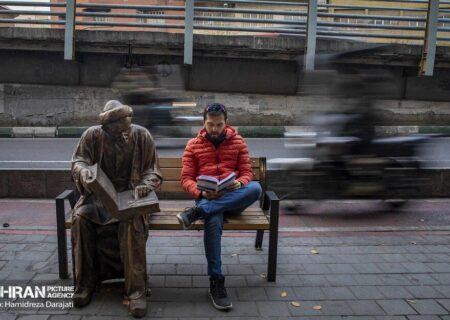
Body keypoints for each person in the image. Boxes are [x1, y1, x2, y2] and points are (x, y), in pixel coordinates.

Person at [71, 100, 162, 318]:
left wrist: (144, 185)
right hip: (99, 199)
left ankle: (136, 291)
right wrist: (83, 173)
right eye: (117, 131)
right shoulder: (92, 136)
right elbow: (79, 162)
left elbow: (153, 171)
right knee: (81, 219)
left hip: (131, 196)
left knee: (131, 222)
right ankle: (85, 283)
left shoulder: (142, 136)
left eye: (126, 129)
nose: (123, 134)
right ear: (106, 127)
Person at [177, 103, 262, 310]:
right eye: (210, 124)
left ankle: (197, 212)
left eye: (219, 125)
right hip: (206, 196)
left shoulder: (238, 142)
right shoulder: (193, 145)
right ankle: (216, 280)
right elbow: (186, 179)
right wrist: (200, 193)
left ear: (226, 123)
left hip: (232, 196)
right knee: (213, 222)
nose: (215, 129)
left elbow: (247, 173)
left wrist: (239, 183)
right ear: (203, 123)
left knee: (256, 188)